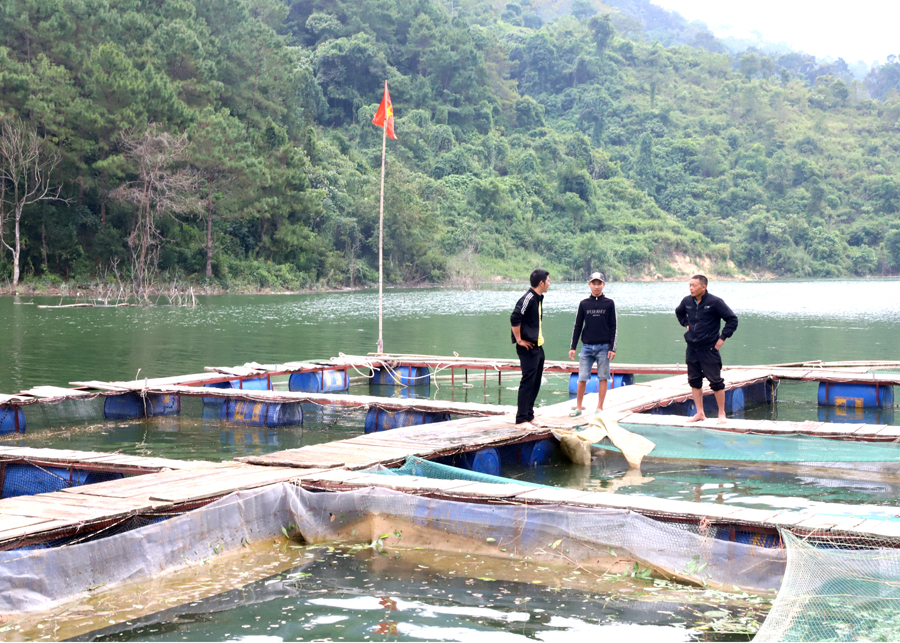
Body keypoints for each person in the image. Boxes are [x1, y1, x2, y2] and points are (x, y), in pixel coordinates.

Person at [675, 274, 738, 423]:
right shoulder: (687, 301)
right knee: (694, 381)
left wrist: (722, 338)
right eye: (689, 285)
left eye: (694, 285)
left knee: (716, 382)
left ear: (703, 287)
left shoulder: (715, 302)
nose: (691, 288)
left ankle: (721, 414)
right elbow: (679, 312)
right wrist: (686, 323)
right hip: (692, 348)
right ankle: (700, 413)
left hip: (709, 349)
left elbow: (732, 319)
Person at [568, 271, 617, 416]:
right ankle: (578, 407)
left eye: (599, 283)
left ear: (603, 285)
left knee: (603, 377)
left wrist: (612, 348)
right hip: (587, 347)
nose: (596, 286)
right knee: (582, 377)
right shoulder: (584, 304)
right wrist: (573, 347)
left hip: (604, 347)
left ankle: (599, 407)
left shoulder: (609, 303)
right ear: (589, 284)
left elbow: (613, 326)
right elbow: (577, 326)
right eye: (593, 283)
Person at [510, 269, 550, 428]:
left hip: (537, 346)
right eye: (548, 280)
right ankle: (521, 419)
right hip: (527, 347)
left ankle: (529, 416)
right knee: (528, 382)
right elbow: (515, 317)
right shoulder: (527, 298)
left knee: (536, 381)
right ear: (541, 283)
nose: (549, 283)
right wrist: (519, 340)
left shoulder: (538, 298)